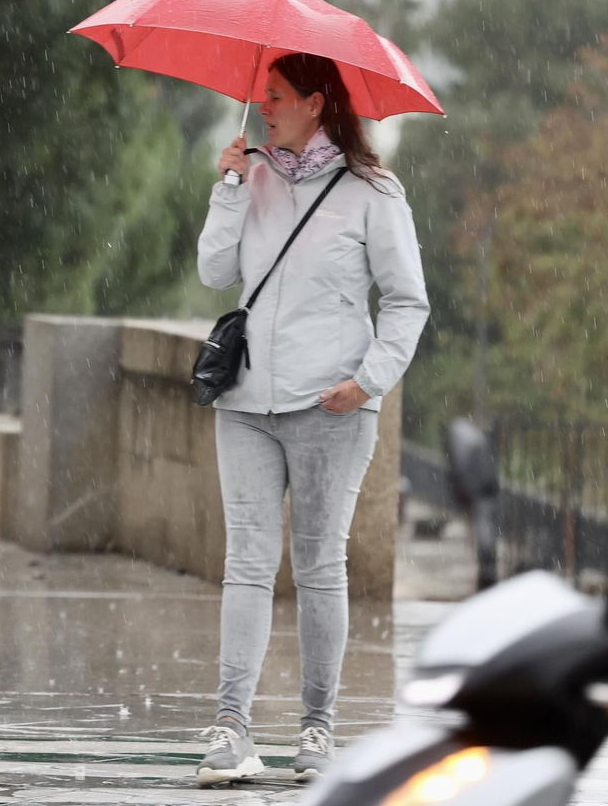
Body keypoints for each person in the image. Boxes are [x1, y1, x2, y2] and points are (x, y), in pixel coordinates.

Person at [193, 53, 429, 785]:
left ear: (317, 102)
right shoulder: (252, 175)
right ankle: (232, 726)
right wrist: (229, 185)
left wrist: (368, 381)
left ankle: (317, 729)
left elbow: (406, 300)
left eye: (278, 96)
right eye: (264, 96)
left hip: (332, 407)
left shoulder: (371, 192)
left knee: (321, 565)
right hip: (247, 404)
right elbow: (213, 271)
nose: (265, 106)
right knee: (248, 562)